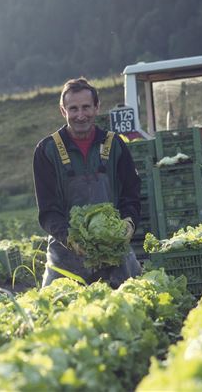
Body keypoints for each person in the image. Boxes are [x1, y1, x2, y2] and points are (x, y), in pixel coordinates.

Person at [32, 77, 142, 288]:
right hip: (65, 256)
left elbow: (132, 194)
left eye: (86, 107)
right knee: (54, 313)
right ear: (63, 111)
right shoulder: (46, 150)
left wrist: (129, 221)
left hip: (114, 252)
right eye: (73, 109)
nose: (80, 115)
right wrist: (70, 238)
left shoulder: (116, 145)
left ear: (97, 108)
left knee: (134, 303)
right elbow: (48, 211)